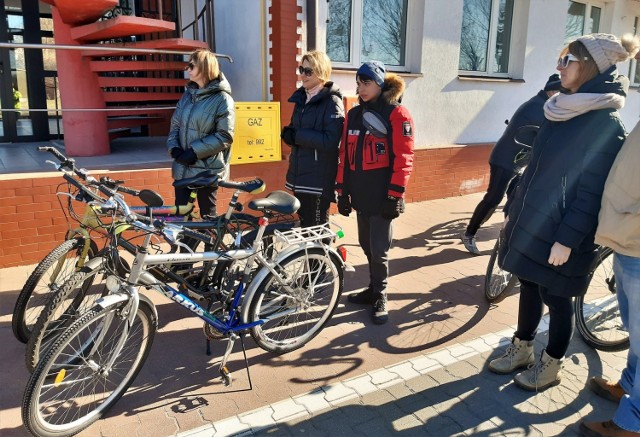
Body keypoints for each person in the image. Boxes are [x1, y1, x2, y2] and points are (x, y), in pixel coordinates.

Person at [487, 33, 639, 392]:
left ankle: (551, 364)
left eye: (566, 60)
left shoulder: (604, 125)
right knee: (527, 285)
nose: (559, 66)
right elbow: (536, 169)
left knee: (556, 298)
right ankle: (522, 348)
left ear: (587, 66)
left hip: (562, 233)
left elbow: (591, 193)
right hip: (533, 221)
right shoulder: (560, 110)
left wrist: (567, 241)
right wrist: (513, 208)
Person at [336, 61, 414, 325]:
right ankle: (372, 289)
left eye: (366, 82)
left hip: (383, 196)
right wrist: (342, 191)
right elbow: (344, 155)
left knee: (379, 250)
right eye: (358, 83)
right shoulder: (354, 114)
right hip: (361, 194)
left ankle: (381, 295)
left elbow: (404, 157)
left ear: (380, 84)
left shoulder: (397, 114)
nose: (361, 88)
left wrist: (395, 195)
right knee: (367, 245)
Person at [580, 118, 640, 436]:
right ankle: (629, 383)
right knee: (635, 331)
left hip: (637, 239)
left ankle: (633, 423)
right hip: (628, 239)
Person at [460, 74, 562, 255]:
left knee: (517, 197)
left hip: (518, 161)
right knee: (493, 198)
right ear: (552, 91)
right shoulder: (539, 108)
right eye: (560, 93)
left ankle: (510, 236)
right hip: (505, 160)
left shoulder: (542, 104)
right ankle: (469, 234)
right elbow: (550, 134)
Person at [167, 48, 235, 218]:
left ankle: (211, 246)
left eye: (191, 65)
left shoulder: (222, 99)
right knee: (180, 218)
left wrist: (194, 152)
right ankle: (184, 246)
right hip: (182, 167)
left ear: (204, 67)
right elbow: (175, 125)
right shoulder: (187, 96)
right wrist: (174, 149)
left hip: (207, 170)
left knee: (208, 218)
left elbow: (225, 135)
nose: (187, 69)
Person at [281, 51, 345, 227]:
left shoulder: (332, 101)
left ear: (321, 71)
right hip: (300, 173)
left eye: (308, 71)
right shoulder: (302, 98)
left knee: (318, 227)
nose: (302, 75)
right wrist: (289, 134)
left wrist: (298, 136)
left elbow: (331, 140)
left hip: (318, 176)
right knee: (304, 225)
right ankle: (309, 255)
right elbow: (297, 130)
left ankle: (323, 255)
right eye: (301, 69)